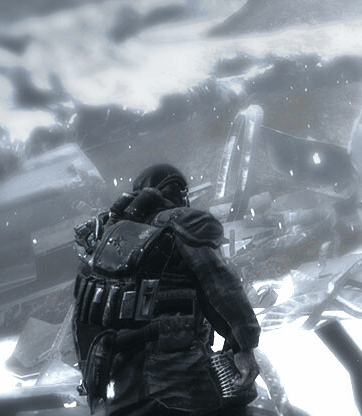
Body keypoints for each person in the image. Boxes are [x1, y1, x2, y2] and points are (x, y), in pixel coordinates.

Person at [72, 163, 261, 416]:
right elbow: (220, 286)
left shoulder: (105, 237)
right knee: (241, 398)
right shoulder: (182, 223)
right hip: (177, 378)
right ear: (179, 192)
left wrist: (94, 388)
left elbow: (82, 321)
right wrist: (243, 347)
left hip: (116, 387)